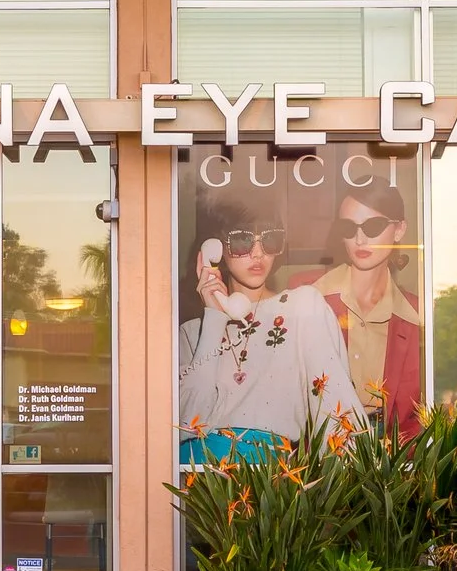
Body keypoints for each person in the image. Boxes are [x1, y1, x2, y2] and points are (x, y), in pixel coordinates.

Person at [177, 197, 364, 462]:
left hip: (269, 485)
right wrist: (214, 318)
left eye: (270, 240)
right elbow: (186, 424)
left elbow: (336, 407)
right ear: (215, 250)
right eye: (242, 240)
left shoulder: (302, 307)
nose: (258, 253)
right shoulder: (192, 333)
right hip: (197, 484)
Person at [295, 180, 425, 438]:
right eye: (348, 227)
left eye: (373, 226)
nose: (360, 238)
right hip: (323, 453)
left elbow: (420, 413)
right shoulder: (308, 298)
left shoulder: (416, 314)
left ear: (399, 230)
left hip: (394, 459)